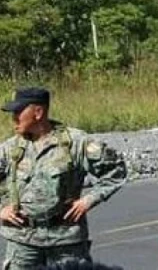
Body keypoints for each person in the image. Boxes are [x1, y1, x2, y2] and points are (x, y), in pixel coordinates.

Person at [0, 87, 127, 269]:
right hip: (23, 242)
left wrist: (88, 200)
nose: (14, 118)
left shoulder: (76, 143)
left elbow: (116, 170)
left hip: (65, 239)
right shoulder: (10, 149)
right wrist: (2, 209)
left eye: (19, 112)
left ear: (38, 112)